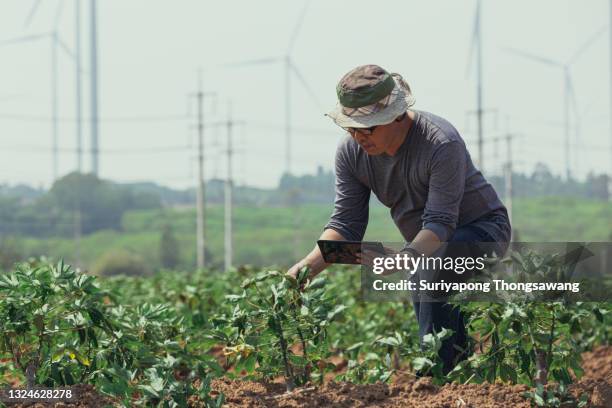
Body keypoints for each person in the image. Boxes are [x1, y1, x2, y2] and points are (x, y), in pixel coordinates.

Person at [287, 64, 511, 373]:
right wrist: (302, 272)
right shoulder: (351, 153)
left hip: (482, 230)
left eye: (367, 127)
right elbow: (345, 225)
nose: (357, 135)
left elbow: (441, 223)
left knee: (432, 271)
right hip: (427, 244)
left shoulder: (440, 143)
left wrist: (404, 258)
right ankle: (456, 379)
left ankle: (436, 381)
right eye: (350, 127)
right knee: (428, 287)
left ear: (395, 116)